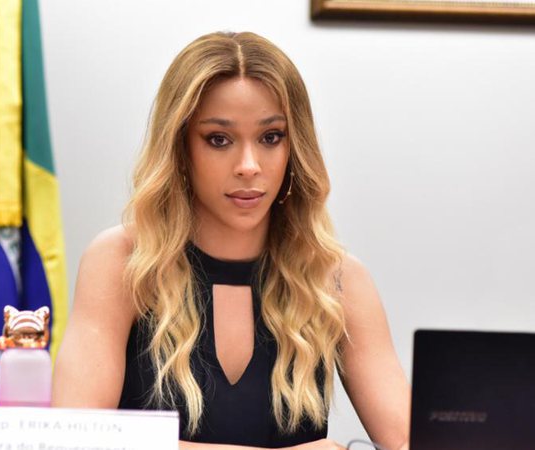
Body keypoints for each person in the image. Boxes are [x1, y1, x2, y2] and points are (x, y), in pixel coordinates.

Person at [52, 31, 410, 450]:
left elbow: (415, 440)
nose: (248, 166)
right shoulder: (121, 262)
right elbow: (75, 440)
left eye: (271, 137)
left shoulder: (336, 278)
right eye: (219, 140)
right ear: (179, 146)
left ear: (295, 148)